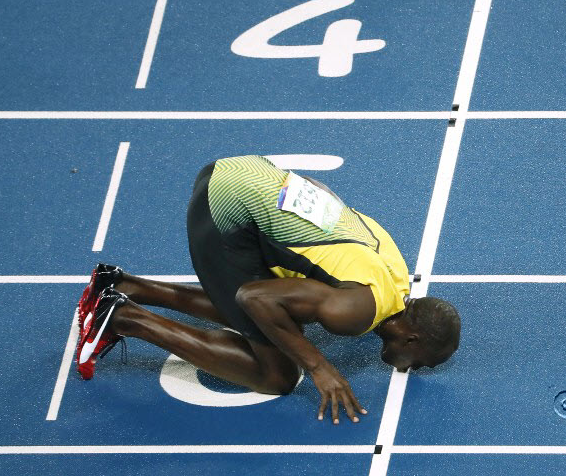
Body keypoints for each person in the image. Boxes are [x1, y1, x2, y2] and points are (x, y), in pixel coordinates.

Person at [76, 155, 461, 424]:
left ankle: (123, 284)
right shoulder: (354, 312)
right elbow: (253, 297)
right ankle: (123, 317)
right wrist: (319, 368)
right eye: (424, 361)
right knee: (276, 373)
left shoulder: (395, 275)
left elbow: (321, 194)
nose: (416, 369)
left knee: (288, 323)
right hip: (225, 208)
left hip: (252, 173)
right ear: (411, 338)